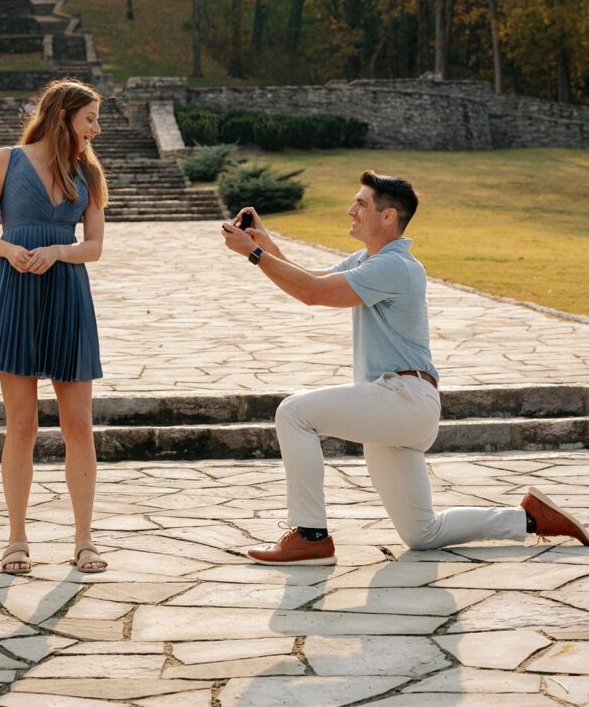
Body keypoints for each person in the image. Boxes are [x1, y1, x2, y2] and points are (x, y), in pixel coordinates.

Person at [222, 170, 589, 564]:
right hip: (395, 409)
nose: (350, 211)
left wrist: (254, 254)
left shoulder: (395, 266)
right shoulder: (369, 260)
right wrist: (265, 243)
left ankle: (310, 536)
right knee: (422, 533)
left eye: (360, 204)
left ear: (388, 217)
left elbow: (314, 294)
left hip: (402, 399)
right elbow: (312, 279)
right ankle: (529, 520)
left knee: (294, 413)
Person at [0, 79, 109, 575]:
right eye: (90, 119)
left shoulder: (89, 173)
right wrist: (8, 249)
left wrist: (59, 251)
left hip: (67, 295)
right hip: (12, 291)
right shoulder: (6, 160)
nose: (96, 130)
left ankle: (84, 539)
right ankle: (16, 537)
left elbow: (94, 246)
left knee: (78, 423)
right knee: (22, 424)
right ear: (63, 116)